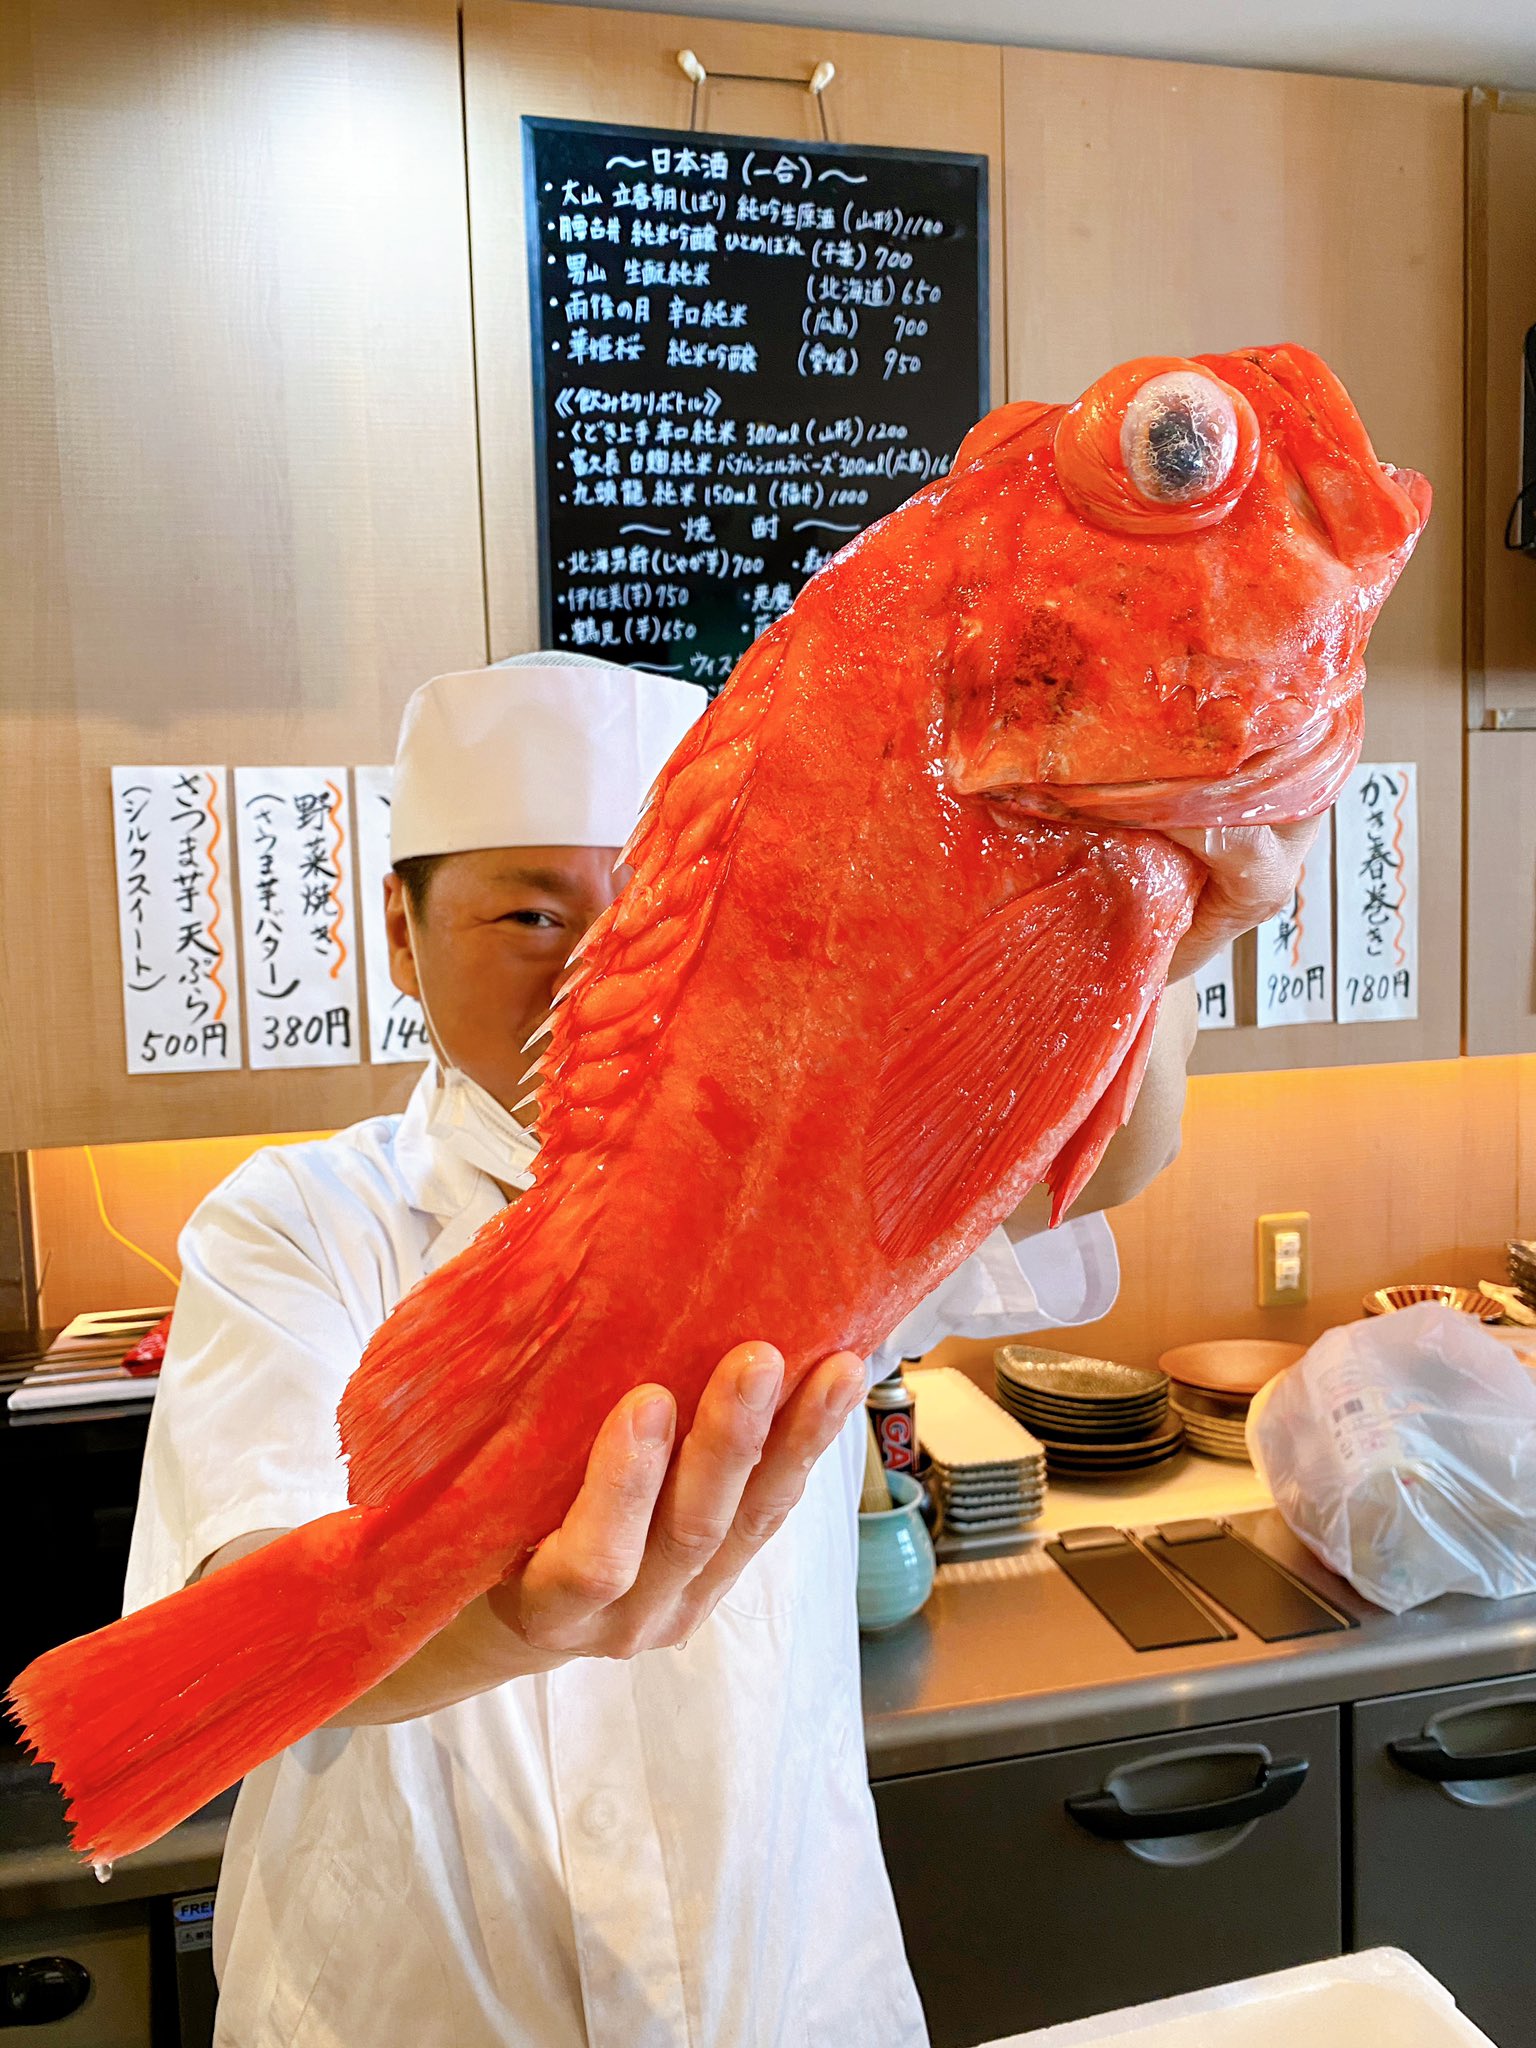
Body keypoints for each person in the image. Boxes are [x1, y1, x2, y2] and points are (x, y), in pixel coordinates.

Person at [125, 651, 1310, 2048]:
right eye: (528, 912)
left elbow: (1096, 1162)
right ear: (399, 928)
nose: (597, 971)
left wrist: (1157, 937)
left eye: (660, 916)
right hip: (411, 2006)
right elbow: (245, 1611)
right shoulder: (300, 1228)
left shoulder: (810, 1191)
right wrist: (505, 1617)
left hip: (787, 1994)